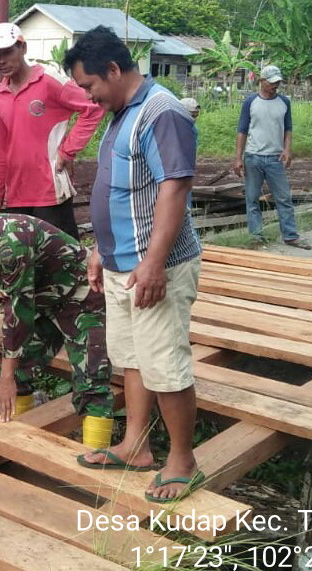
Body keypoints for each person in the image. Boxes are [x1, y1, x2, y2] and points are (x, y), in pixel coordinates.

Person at [64, 26, 204, 504]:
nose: (88, 96)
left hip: (153, 265)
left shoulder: (161, 112)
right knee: (132, 360)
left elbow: (174, 187)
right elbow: (123, 188)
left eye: (90, 86)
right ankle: (137, 446)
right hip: (123, 262)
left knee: (164, 361)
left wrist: (154, 262)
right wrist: (103, 248)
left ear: (113, 70)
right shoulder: (121, 112)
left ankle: (182, 461)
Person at [0, 191, 114, 444]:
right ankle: (18, 447)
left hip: (80, 298)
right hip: (42, 302)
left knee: (92, 378)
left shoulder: (10, 239)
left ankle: (98, 470)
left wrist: (5, 378)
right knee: (21, 370)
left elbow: (18, 309)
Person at [0, 22, 104, 239]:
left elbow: (93, 108)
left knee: (61, 262)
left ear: (23, 48)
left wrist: (67, 150)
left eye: (7, 52)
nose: (1, 60)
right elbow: (0, 150)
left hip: (50, 192)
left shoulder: (49, 80)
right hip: (15, 196)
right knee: (21, 264)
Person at [233, 65, 311, 249]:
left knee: (283, 198)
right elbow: (242, 131)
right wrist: (238, 157)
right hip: (253, 157)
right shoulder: (250, 102)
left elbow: (288, 128)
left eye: (278, 82)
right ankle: (256, 236)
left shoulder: (284, 102)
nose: (275, 86)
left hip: (275, 158)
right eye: (272, 82)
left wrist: (287, 150)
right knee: (252, 199)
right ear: (262, 81)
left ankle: (291, 236)